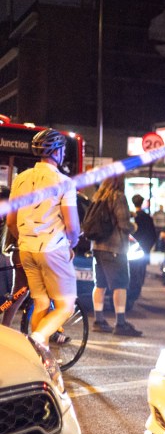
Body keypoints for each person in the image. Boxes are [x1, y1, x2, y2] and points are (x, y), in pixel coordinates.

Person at [5, 128, 80, 346]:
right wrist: (71, 244)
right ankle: (37, 340)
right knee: (66, 305)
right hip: (52, 248)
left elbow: (11, 221)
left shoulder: (21, 179)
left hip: (26, 249)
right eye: (63, 149)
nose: (64, 154)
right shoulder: (64, 182)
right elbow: (72, 226)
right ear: (56, 152)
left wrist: (24, 238)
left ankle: (38, 358)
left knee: (41, 302)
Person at [89, 176, 140, 336]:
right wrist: (135, 226)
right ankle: (121, 322)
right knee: (120, 285)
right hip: (115, 248)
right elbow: (124, 223)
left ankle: (99, 320)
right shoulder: (118, 196)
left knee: (100, 284)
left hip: (97, 247)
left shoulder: (98, 196)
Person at [127, 194, 157, 311]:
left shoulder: (133, 218)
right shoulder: (147, 217)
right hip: (145, 248)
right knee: (141, 271)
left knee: (134, 272)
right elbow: (153, 234)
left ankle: (134, 292)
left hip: (133, 249)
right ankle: (137, 290)